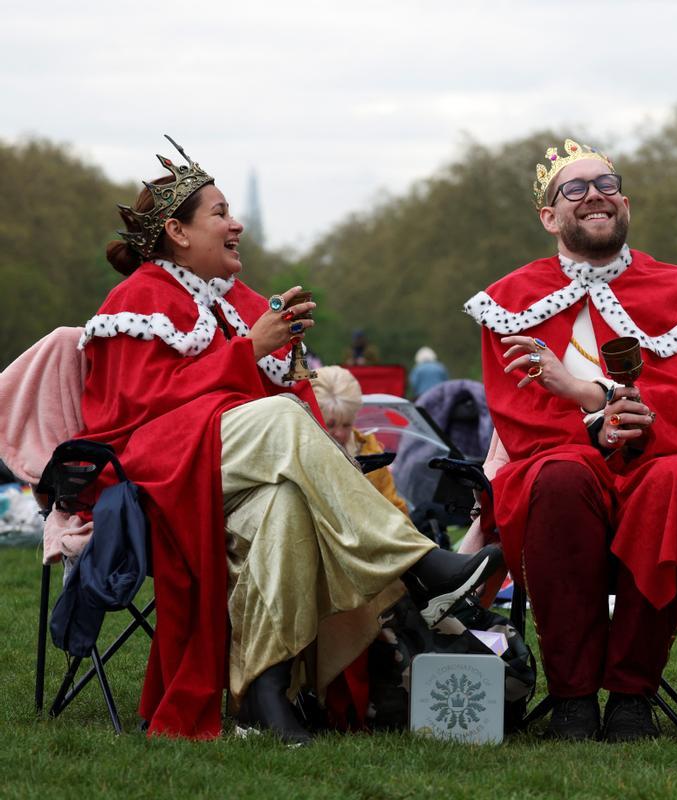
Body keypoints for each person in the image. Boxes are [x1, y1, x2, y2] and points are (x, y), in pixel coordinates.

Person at [78, 137, 500, 743]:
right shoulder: (136, 299)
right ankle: (419, 566)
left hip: (237, 466)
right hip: (159, 467)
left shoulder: (243, 302)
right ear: (176, 230)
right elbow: (138, 410)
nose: (236, 223)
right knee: (276, 418)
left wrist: (279, 354)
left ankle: (263, 697)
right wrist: (249, 350)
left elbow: (298, 407)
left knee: (285, 507)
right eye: (220, 213)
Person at [464, 138, 677, 742]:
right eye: (575, 188)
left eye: (608, 184)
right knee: (559, 476)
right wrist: (596, 418)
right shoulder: (511, 301)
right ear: (549, 216)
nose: (595, 195)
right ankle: (572, 697)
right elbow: (521, 421)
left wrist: (588, 395)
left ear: (625, 203)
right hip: (563, 466)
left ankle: (630, 694)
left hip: (664, 459)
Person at [310, 365, 409, 515]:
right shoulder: (299, 454)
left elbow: (396, 511)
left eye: (347, 424)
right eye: (330, 425)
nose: (341, 433)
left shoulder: (371, 452)